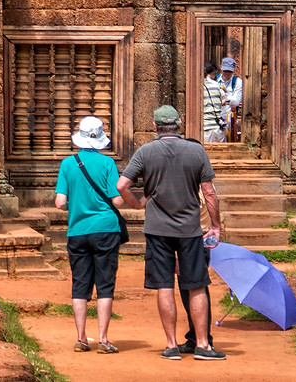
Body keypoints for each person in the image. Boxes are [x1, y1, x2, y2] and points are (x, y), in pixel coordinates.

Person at [116, 105, 225, 361]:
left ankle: (171, 345)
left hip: (157, 229)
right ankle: (202, 345)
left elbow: (122, 185)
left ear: (155, 127)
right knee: (196, 285)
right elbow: (209, 192)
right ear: (179, 124)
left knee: (164, 285)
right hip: (189, 230)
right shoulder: (196, 150)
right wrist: (216, 225)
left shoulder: (145, 152)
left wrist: (138, 203)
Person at [54, 116, 128, 354]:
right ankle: (104, 339)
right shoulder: (107, 164)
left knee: (80, 284)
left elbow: (59, 203)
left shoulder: (67, 164)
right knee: (105, 284)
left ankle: (81, 338)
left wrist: (76, 204)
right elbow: (117, 198)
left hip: (77, 230)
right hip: (105, 229)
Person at [201, 61, 228, 144]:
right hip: (217, 127)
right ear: (214, 72)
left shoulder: (200, 86)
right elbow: (224, 101)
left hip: (204, 128)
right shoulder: (217, 85)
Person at [219, 58, 244, 141]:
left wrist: (226, 94)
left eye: (230, 71)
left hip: (229, 119)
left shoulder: (237, 81)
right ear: (221, 68)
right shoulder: (215, 80)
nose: (227, 73)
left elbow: (236, 101)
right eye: (225, 70)